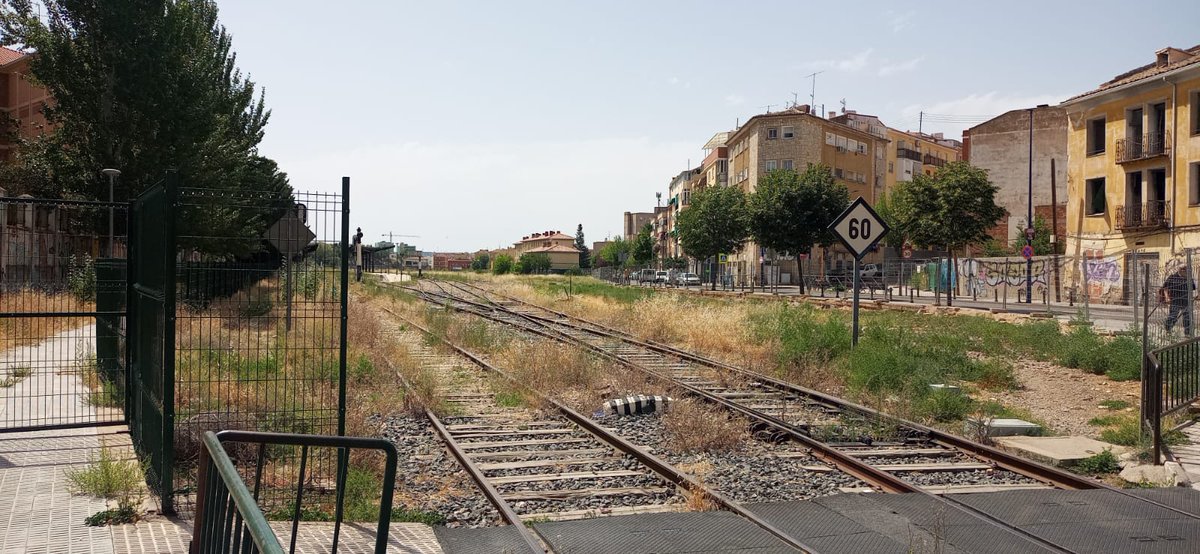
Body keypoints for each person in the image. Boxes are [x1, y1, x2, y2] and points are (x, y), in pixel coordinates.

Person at [1160, 264, 1195, 335]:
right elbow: (1165, 288)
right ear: (1179, 269)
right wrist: (1167, 297)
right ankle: (1168, 330)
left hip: (1186, 300)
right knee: (1173, 316)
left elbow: (1193, 288)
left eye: (1185, 269)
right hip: (1175, 300)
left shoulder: (1188, 278)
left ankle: (1187, 333)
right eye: (1182, 268)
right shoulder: (1172, 277)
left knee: (1187, 317)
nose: (1184, 270)